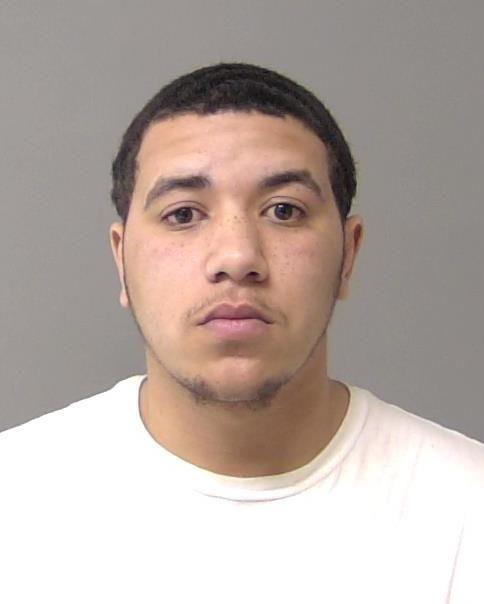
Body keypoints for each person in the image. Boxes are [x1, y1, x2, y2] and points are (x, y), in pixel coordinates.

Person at [1, 62, 483, 603]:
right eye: (183, 215)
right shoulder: (14, 501)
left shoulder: (469, 509)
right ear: (121, 260)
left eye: (284, 210)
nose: (237, 257)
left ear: (348, 255)